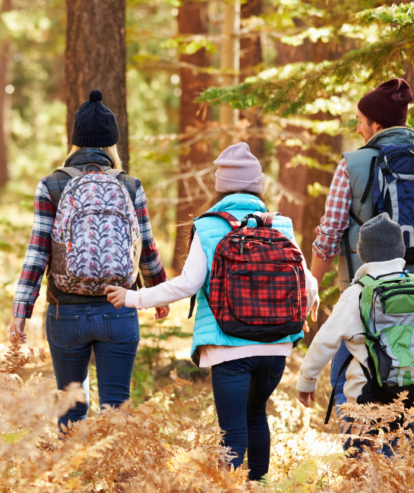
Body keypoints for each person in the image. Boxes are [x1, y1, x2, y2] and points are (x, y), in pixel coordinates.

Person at [106, 142, 318, 481]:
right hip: (277, 346)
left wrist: (133, 298)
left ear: (221, 186)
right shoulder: (282, 224)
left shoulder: (207, 226)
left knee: (231, 429)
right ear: (257, 186)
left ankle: (229, 489)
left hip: (227, 344)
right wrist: (308, 307)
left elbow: (187, 285)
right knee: (256, 415)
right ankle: (258, 486)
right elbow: (305, 281)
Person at [306, 78, 414, 428]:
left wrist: (313, 288)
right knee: (410, 376)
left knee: (351, 376)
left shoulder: (351, 165)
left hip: (361, 297)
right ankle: (398, 465)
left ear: (376, 125)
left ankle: (363, 458)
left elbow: (330, 233)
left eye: (360, 120)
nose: (357, 127)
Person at [8, 89, 169, 434]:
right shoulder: (129, 185)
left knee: (70, 405)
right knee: (116, 408)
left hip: (65, 311)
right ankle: (113, 483)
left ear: (75, 142)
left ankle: (73, 480)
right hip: (119, 307)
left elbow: (38, 253)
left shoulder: (52, 184)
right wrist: (159, 293)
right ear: (113, 143)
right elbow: (148, 248)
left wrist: (20, 311)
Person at [297, 213, 414, 455]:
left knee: (365, 467)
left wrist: (307, 381)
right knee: (398, 463)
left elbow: (324, 342)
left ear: (362, 253)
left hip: (365, 400)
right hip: (411, 396)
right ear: (401, 251)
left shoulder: (356, 293)